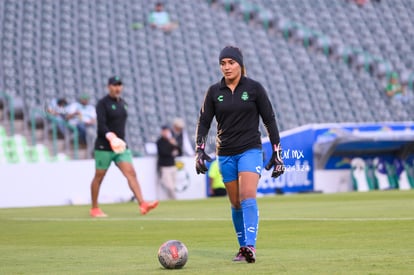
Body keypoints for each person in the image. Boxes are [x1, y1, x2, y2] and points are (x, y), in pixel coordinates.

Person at [195, 46, 285, 263]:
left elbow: (269, 120)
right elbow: (204, 122)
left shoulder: (254, 89)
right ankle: (242, 247)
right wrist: (199, 149)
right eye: (222, 63)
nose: (226, 67)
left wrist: (277, 152)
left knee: (247, 195)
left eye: (231, 63)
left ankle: (250, 246)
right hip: (224, 152)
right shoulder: (214, 91)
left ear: (240, 64)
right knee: (235, 203)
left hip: (250, 149)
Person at [89, 76, 159, 217]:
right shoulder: (102, 104)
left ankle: (142, 204)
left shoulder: (123, 103)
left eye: (120, 85)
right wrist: (110, 136)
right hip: (104, 146)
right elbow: (101, 124)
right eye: (115, 85)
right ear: (109, 87)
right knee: (99, 176)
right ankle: (94, 208)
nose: (117, 88)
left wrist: (118, 140)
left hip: (120, 146)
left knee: (131, 173)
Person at [156, 125, 181, 200]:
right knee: (169, 186)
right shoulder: (159, 142)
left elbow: (179, 152)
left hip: (172, 165)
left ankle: (171, 200)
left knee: (173, 185)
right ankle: (174, 199)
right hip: (165, 167)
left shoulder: (171, 141)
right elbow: (163, 152)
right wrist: (172, 152)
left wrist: (174, 144)